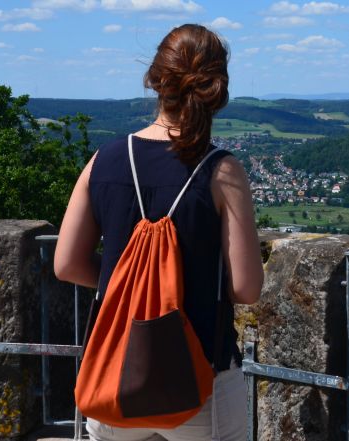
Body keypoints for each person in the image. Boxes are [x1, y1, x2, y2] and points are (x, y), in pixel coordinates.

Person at [54, 24, 262, 441]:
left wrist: (134, 287)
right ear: (216, 89)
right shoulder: (222, 171)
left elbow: (67, 264)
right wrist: (171, 291)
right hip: (201, 376)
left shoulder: (104, 161)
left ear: (155, 80)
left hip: (115, 375)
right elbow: (245, 288)